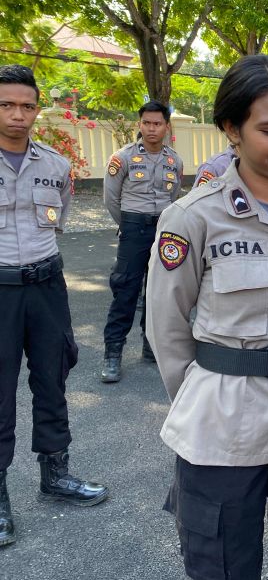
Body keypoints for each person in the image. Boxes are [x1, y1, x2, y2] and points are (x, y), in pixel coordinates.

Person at [146, 55, 268, 580]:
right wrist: (198, 396)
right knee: (223, 564)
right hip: (223, 419)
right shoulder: (192, 217)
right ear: (232, 130)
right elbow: (166, 328)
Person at [0, 65, 108, 548]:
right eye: (6, 105)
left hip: (46, 286)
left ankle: (55, 473)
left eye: (26, 105)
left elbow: (59, 217)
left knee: (52, 377)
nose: (17, 115)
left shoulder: (55, 166)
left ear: (37, 109)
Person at [101, 100, 183, 382]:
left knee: (158, 290)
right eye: (147, 123)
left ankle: (151, 346)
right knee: (125, 290)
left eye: (157, 123)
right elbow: (111, 198)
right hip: (133, 227)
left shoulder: (174, 160)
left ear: (166, 127)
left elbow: (174, 198)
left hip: (163, 229)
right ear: (140, 125)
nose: (151, 128)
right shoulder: (122, 158)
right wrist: (127, 224)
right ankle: (113, 353)